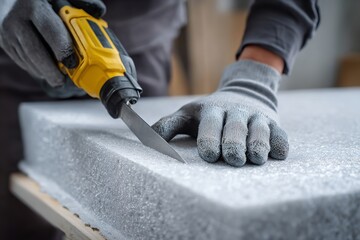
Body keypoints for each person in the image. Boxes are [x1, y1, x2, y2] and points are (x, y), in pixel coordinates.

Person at [0, 0, 319, 239]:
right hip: (15, 46)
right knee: (21, 217)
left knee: (133, 212)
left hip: (140, 42)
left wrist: (254, 78)